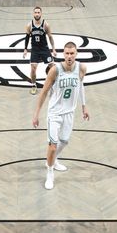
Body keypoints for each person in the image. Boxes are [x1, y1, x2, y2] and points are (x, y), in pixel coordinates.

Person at [31, 41, 89, 190]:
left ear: (76, 54)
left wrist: (84, 106)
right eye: (67, 53)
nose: (69, 56)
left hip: (70, 113)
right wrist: (36, 114)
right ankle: (50, 172)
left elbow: (81, 86)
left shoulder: (81, 68)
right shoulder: (55, 70)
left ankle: (53, 160)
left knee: (64, 141)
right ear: (63, 54)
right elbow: (43, 92)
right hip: (55, 113)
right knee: (52, 146)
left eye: (72, 53)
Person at [22, 6, 57, 95]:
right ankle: (34, 85)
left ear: (41, 14)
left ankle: (54, 84)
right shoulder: (29, 25)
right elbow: (26, 38)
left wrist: (53, 49)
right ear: (33, 14)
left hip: (44, 48)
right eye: (35, 12)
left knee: (52, 67)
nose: (37, 14)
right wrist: (25, 49)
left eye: (38, 12)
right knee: (33, 68)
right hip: (35, 49)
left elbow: (50, 37)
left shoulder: (45, 25)